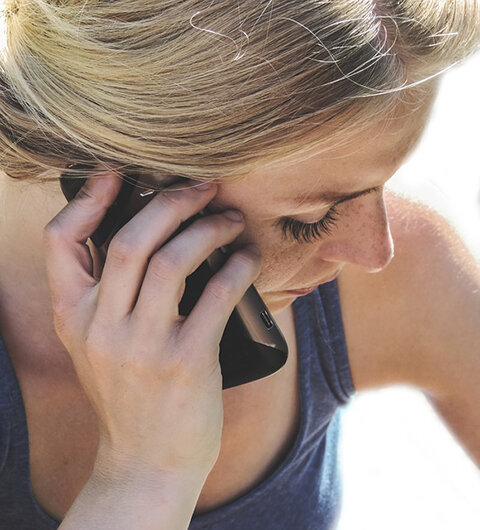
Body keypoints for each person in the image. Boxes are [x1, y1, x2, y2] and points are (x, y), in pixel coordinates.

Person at [0, 1, 479, 528]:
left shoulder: (400, 273)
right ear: (128, 191)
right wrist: (144, 476)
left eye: (382, 183)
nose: (375, 253)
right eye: (310, 219)